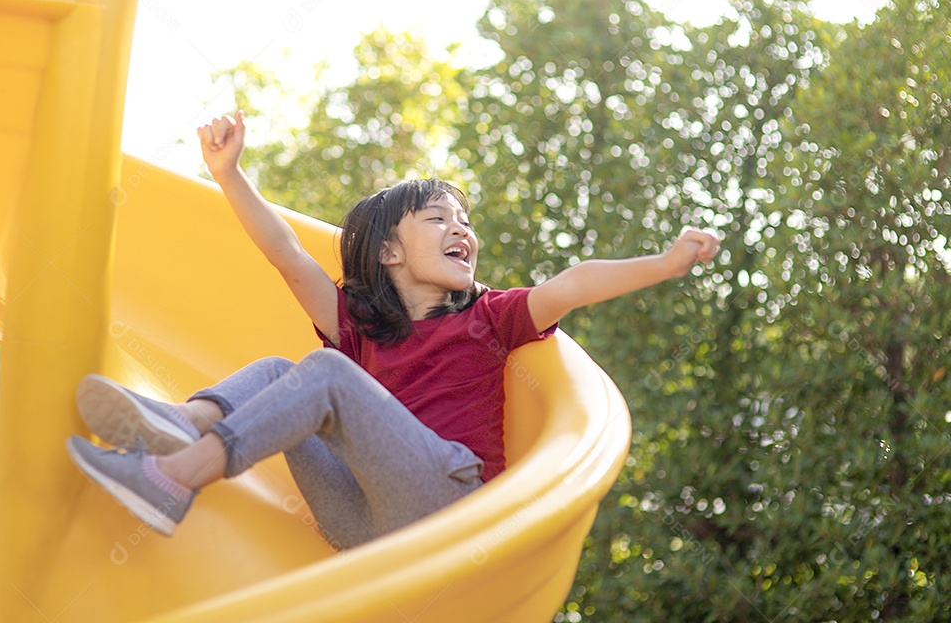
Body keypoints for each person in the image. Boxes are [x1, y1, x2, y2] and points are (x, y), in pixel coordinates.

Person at [66, 111, 720, 549]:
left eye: (465, 220)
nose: (461, 228)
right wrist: (229, 174)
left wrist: (666, 262)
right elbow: (288, 256)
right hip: (361, 522)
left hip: (446, 510)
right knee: (277, 372)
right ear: (389, 253)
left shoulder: (489, 317)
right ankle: (185, 423)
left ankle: (176, 474)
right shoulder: (358, 327)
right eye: (438, 219)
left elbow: (574, 282)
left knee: (319, 375)